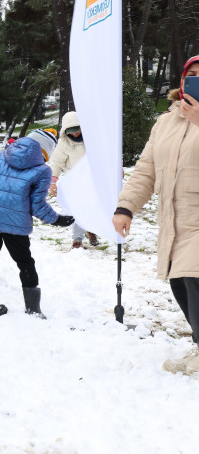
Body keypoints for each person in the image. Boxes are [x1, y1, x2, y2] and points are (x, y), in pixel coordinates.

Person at [113, 55, 199, 376]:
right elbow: (146, 170)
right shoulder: (166, 121)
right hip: (173, 220)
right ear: (181, 81)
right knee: (180, 282)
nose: (195, 80)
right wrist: (126, 207)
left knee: (194, 278)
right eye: (192, 75)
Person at [0, 130, 74, 319]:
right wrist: (57, 219)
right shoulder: (43, 170)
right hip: (15, 225)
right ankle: (33, 309)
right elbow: (37, 205)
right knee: (25, 262)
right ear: (45, 152)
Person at [48, 112, 97, 248]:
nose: (74, 134)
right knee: (79, 209)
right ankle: (77, 239)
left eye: (76, 129)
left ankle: (91, 229)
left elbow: (106, 153)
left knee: (92, 208)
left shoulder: (91, 138)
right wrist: (53, 181)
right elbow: (57, 163)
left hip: (93, 181)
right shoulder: (64, 143)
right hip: (76, 182)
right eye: (70, 131)